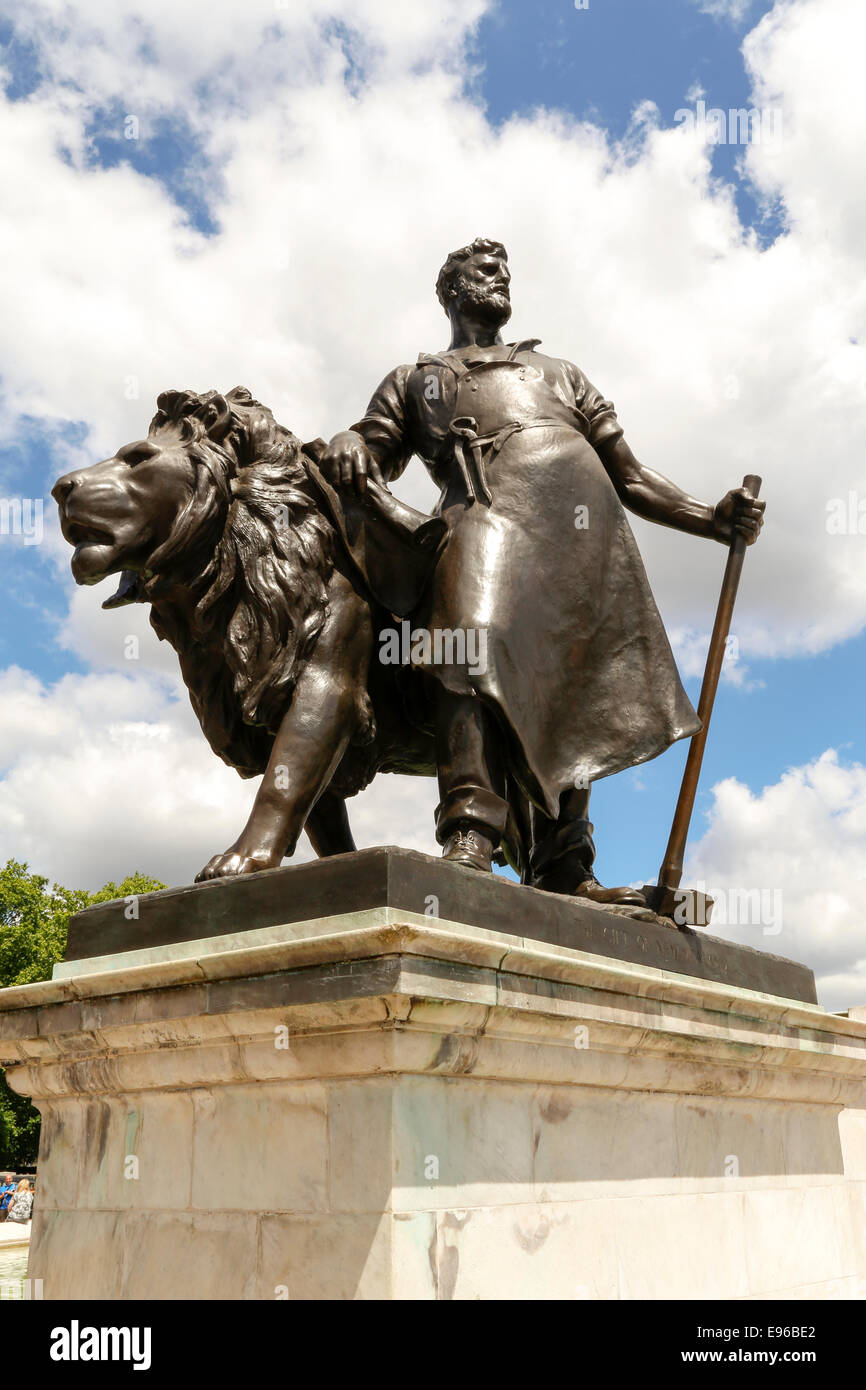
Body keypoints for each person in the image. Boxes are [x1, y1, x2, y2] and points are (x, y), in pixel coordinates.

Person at [322, 238, 764, 901]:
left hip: (578, 540)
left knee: (571, 683)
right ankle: (470, 830)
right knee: (461, 642)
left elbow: (634, 477)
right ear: (448, 291)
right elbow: (375, 452)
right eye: (483, 269)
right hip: (481, 518)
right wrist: (351, 439)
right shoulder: (418, 379)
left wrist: (712, 517)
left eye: (505, 270)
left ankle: (564, 864)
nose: (500, 276)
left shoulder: (560, 373)